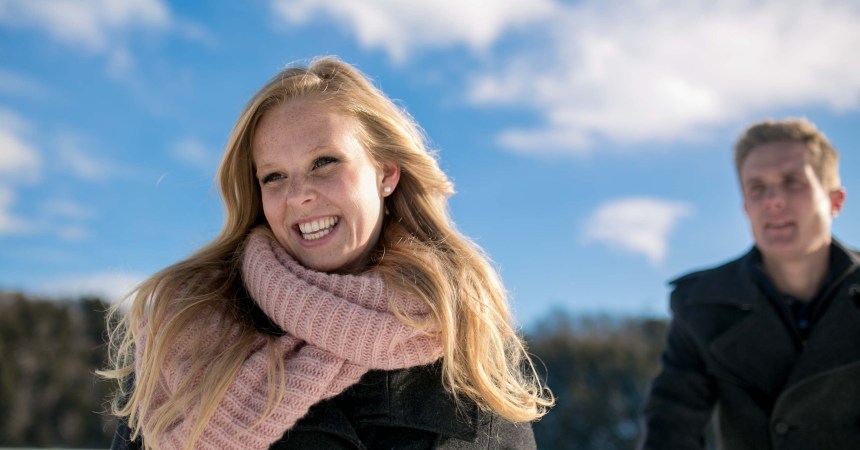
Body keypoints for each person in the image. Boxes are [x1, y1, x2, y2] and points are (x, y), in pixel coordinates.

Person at [101, 57, 553, 450]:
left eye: (324, 162)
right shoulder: (191, 327)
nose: (299, 195)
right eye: (274, 176)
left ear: (386, 173)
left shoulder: (465, 333)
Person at [638, 118, 860, 450]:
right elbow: (670, 430)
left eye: (792, 182)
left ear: (835, 201)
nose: (772, 200)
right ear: (745, 207)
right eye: (757, 188)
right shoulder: (702, 305)